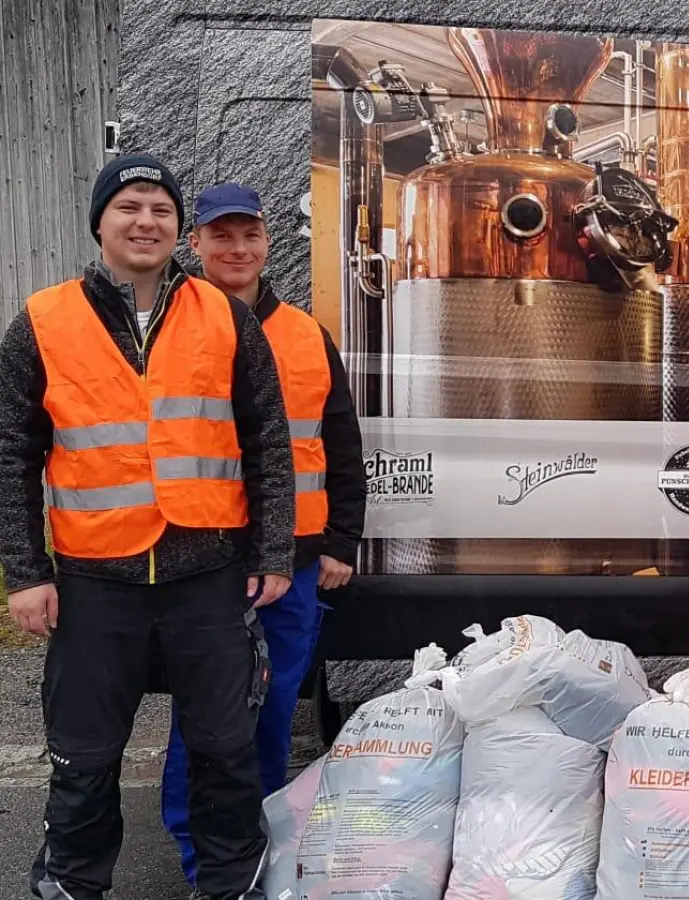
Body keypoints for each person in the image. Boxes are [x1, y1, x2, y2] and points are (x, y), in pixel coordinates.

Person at [0, 153, 296, 900]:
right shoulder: (42, 321)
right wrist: (26, 574)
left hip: (211, 575)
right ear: (100, 221)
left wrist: (271, 550)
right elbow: (11, 455)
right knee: (84, 751)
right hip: (96, 580)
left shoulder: (224, 315)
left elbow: (266, 439)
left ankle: (231, 883)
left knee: (225, 747)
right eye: (129, 206)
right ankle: (71, 879)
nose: (146, 221)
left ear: (177, 229)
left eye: (161, 209)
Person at [158, 182, 367, 886]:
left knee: (274, 708)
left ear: (268, 241)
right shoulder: (164, 329)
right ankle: (198, 852)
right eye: (221, 236)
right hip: (206, 558)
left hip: (298, 562)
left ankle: (261, 843)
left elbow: (338, 441)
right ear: (197, 245)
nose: (237, 248)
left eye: (249, 235)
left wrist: (341, 540)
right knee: (208, 711)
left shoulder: (307, 335)